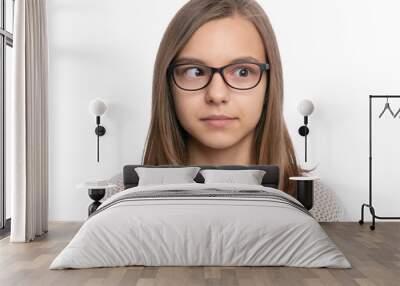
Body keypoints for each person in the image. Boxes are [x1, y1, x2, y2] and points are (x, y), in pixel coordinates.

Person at [142, 0, 304, 196]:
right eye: (195, 72)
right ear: (167, 83)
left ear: (270, 84)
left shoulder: (313, 201)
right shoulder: (115, 198)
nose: (217, 95)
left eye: (243, 72)